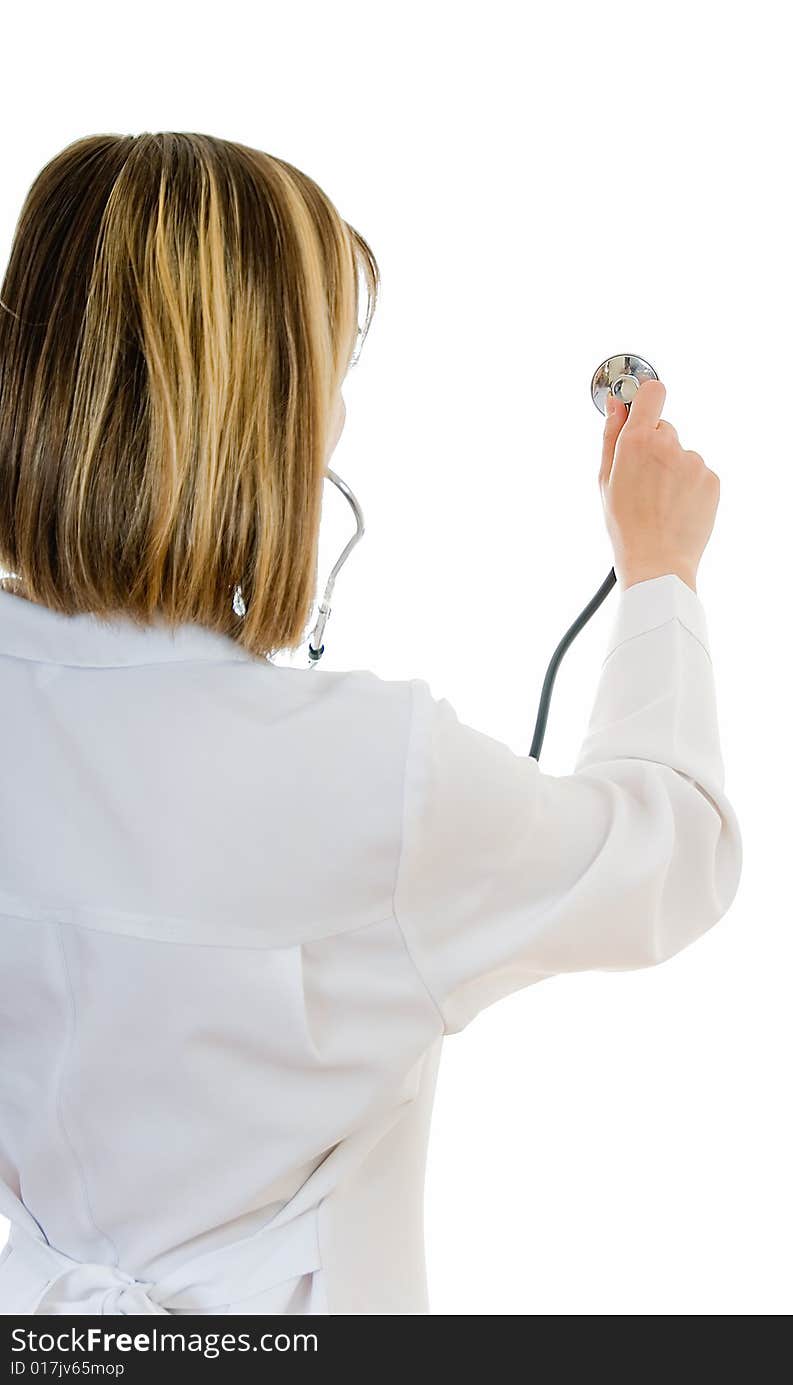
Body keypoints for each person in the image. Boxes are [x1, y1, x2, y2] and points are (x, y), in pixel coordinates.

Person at [0, 132, 742, 1316]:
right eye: (326, 371)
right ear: (267, 413)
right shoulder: (370, 775)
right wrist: (658, 571)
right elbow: (673, 852)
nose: (336, 415)